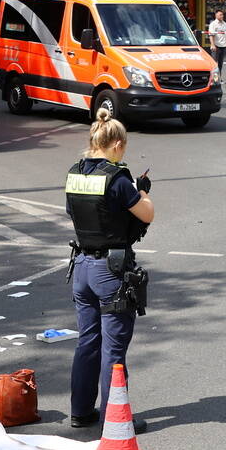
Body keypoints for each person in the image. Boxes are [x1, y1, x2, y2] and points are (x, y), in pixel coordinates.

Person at [65, 109, 155, 431]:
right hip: (110, 270)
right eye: (124, 146)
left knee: (87, 342)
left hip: (81, 268)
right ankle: (112, 419)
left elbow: (75, 212)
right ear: (116, 143)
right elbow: (145, 215)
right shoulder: (117, 178)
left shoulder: (75, 174)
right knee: (113, 349)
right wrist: (142, 190)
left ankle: (80, 412)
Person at [208, 10, 226, 80]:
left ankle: (219, 78)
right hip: (216, 46)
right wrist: (212, 45)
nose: (222, 16)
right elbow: (211, 35)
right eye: (220, 15)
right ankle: (213, 78)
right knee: (214, 64)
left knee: (220, 63)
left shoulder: (225, 24)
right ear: (216, 15)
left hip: (223, 45)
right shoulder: (213, 24)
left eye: (222, 15)